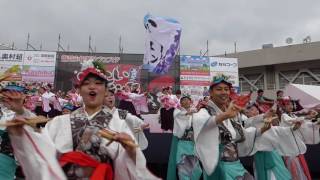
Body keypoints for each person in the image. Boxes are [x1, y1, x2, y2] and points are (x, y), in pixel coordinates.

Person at [6, 59, 160, 180]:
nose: (92, 87)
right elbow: (40, 144)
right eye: (86, 84)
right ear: (79, 90)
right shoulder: (61, 121)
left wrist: (130, 149)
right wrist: (20, 112)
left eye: (98, 83)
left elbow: (129, 162)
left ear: (106, 90)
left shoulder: (118, 122)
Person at [188, 75, 307, 179]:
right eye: (219, 89)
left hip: (235, 164)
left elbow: (245, 130)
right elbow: (200, 122)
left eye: (226, 89)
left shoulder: (231, 113)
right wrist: (225, 115)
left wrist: (263, 127)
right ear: (211, 92)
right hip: (219, 167)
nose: (224, 92)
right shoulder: (205, 112)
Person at [280, 97, 320, 180]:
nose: (290, 106)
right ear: (283, 107)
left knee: (299, 169)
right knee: (293, 169)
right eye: (287, 104)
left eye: (291, 104)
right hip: (289, 147)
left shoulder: (293, 115)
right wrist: (307, 116)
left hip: (295, 145)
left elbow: (304, 124)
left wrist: (316, 122)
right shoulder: (284, 116)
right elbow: (293, 121)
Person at [167, 94, 202, 179]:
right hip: (182, 143)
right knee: (183, 167)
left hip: (193, 144)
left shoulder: (196, 112)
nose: (186, 101)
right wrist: (188, 113)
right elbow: (179, 116)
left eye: (187, 100)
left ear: (191, 102)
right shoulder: (177, 111)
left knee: (197, 170)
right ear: (181, 103)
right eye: (183, 100)